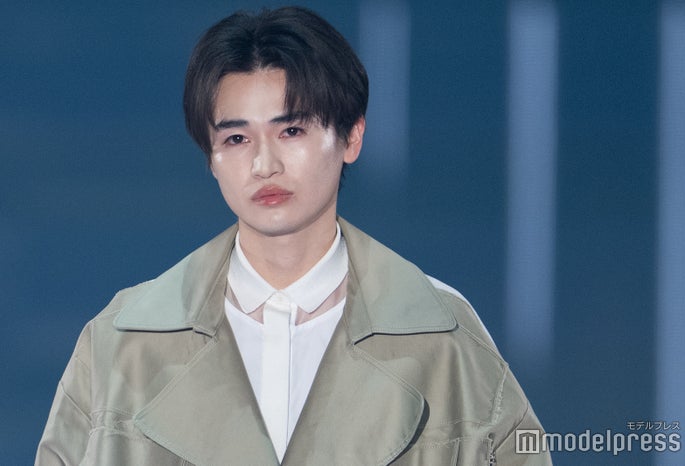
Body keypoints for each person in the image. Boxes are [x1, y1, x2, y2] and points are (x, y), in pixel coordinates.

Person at [36, 6, 551, 465]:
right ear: (210, 158)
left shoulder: (444, 339)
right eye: (236, 138)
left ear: (352, 136)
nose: (264, 164)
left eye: (291, 131)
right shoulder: (121, 344)